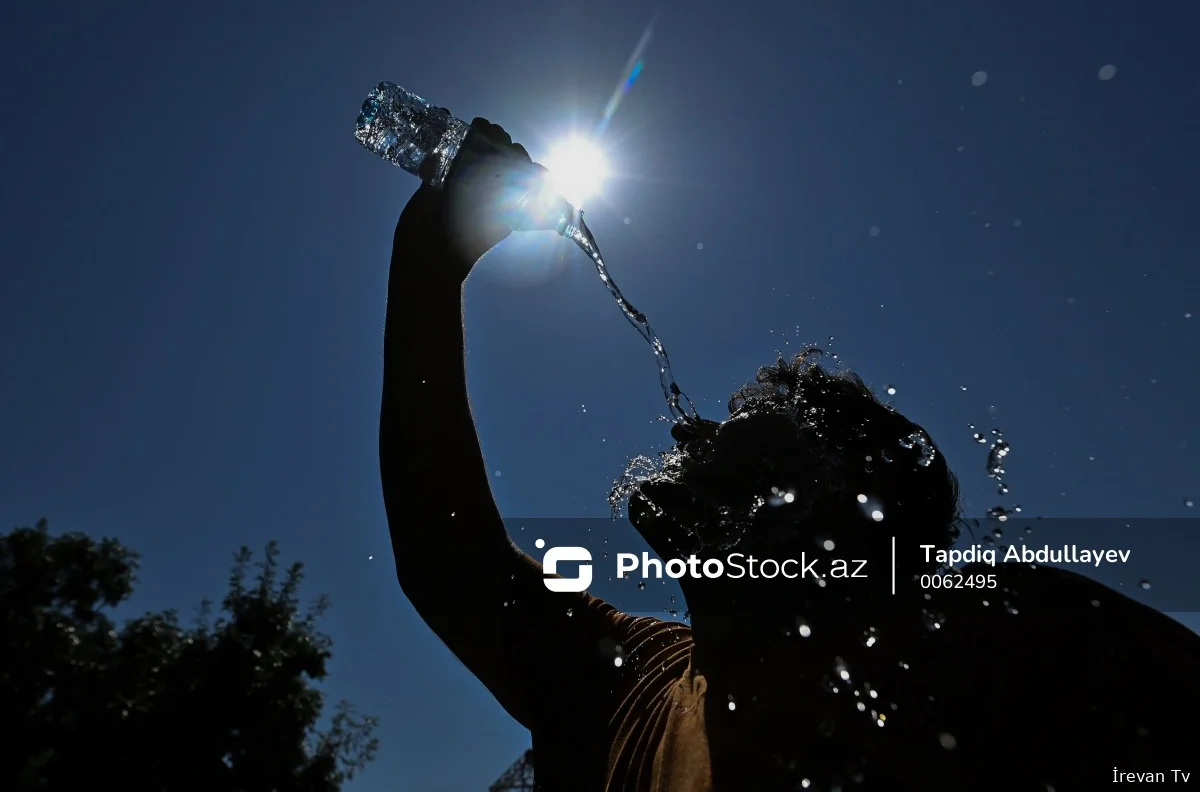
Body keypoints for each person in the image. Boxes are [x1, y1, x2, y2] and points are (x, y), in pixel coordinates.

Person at [380, 120, 1200, 791]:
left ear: (849, 487)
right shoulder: (630, 684)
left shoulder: (1008, 637)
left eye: (750, 416)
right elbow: (452, 563)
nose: (684, 431)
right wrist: (429, 262)